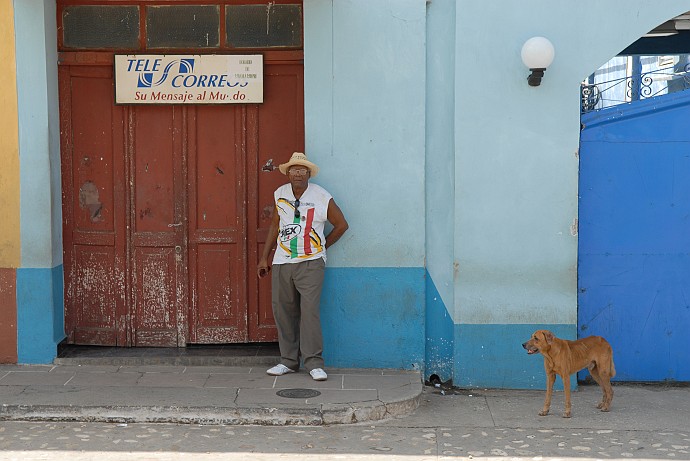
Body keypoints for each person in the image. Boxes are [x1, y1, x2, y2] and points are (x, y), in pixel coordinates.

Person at [257, 152, 349, 381]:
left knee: (309, 312)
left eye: (302, 170)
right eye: (293, 169)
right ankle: (288, 361)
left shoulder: (321, 196)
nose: (298, 173)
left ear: (308, 173)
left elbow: (341, 225)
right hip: (282, 261)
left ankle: (314, 363)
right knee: (283, 311)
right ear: (288, 173)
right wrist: (264, 258)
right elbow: (275, 226)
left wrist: (322, 247)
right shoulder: (280, 193)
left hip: (311, 263)